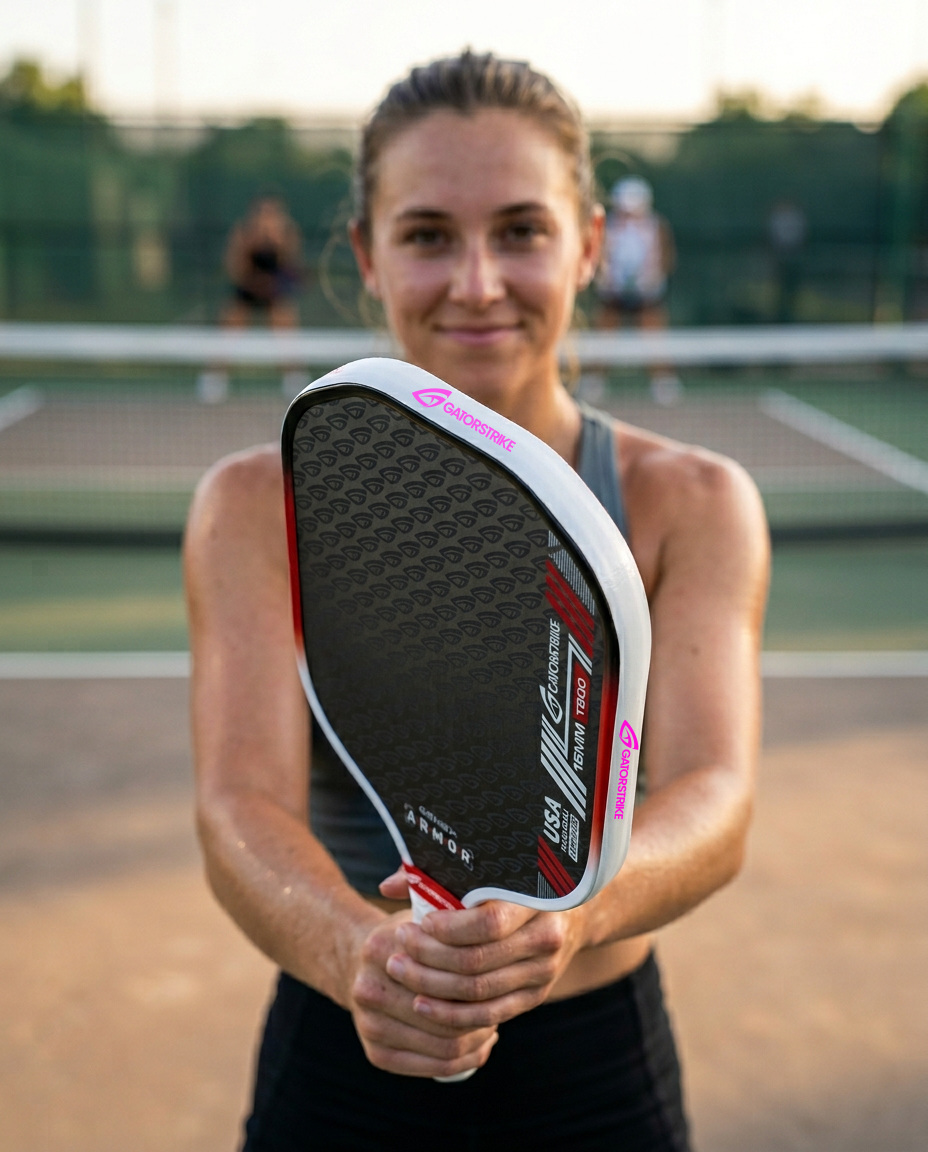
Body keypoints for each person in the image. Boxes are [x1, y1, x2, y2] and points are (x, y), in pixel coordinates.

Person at [186, 51, 769, 1151]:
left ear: (590, 243)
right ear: (365, 254)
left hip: (595, 1071)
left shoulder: (694, 503)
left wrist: (570, 913)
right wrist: (365, 957)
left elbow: (713, 794)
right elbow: (238, 808)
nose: (476, 282)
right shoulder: (253, 505)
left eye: (520, 230)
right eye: (425, 236)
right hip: (340, 1052)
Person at [197, 198, 306, 403]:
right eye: (263, 213)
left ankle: (294, 382)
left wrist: (278, 244)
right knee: (228, 329)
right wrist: (251, 246)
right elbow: (235, 268)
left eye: (273, 213)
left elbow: (292, 266)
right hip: (248, 288)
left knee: (286, 330)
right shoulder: (243, 233)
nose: (268, 219)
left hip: (274, 290)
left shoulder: (288, 233)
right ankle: (214, 381)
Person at [597, 176, 682, 405]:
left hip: (647, 294)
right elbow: (601, 257)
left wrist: (653, 281)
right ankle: (594, 381)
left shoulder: (657, 225)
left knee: (654, 339)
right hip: (613, 293)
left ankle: (663, 383)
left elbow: (665, 257)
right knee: (604, 337)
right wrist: (606, 279)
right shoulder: (607, 226)